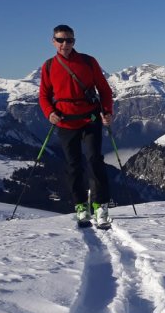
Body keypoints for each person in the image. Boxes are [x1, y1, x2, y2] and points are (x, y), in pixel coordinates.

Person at [38, 24, 115, 226]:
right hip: (65, 121)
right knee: (73, 166)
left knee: (94, 161)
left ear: (74, 41)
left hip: (90, 119)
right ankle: (81, 205)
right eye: (61, 40)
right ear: (53, 41)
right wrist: (49, 113)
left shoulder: (88, 62)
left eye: (69, 40)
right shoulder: (48, 66)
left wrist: (107, 112)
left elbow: (105, 90)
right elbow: (44, 95)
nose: (65, 44)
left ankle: (100, 206)